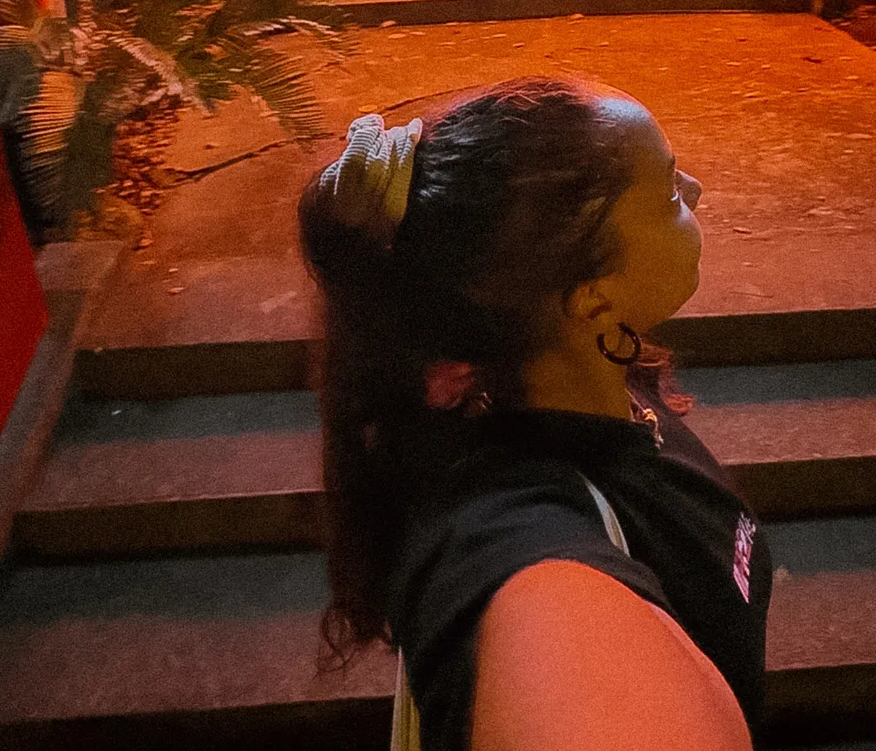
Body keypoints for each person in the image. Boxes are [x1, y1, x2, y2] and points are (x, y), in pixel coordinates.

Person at [300, 76, 771, 751]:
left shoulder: (585, 372)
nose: (694, 190)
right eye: (666, 191)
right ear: (588, 297)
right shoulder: (517, 537)